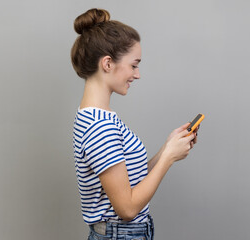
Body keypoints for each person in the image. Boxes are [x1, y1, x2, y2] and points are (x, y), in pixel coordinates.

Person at [71, 8, 200, 240]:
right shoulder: (100, 126)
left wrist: (167, 149)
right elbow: (127, 209)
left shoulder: (97, 117)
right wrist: (169, 158)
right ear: (108, 64)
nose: (137, 74)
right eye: (133, 65)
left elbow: (129, 183)